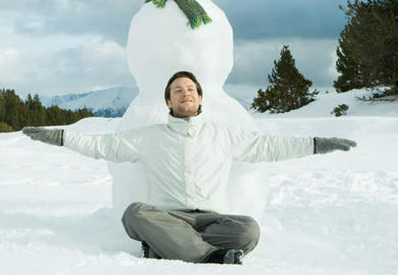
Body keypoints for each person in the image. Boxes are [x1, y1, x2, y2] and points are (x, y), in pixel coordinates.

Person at [22, 70, 357, 265]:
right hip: (167, 216)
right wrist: (57, 136)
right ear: (168, 101)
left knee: (249, 230)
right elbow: (101, 145)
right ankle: (209, 258)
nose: (185, 94)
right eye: (177, 90)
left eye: (191, 90)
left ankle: (169, 247)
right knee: (135, 213)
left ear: (199, 98)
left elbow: (270, 146)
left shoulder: (223, 135)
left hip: (212, 219)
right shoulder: (148, 137)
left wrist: (317, 144)